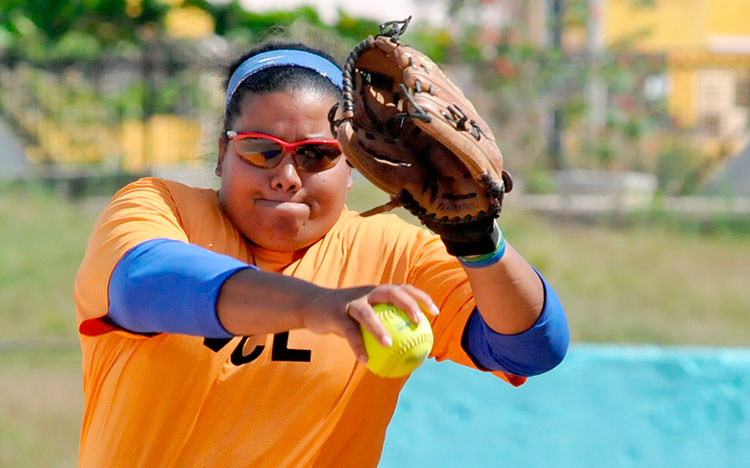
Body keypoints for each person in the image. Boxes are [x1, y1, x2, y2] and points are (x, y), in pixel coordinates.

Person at [74, 41, 569, 468]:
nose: (287, 175)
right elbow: (146, 284)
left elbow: (530, 347)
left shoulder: (394, 255)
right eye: (260, 150)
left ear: (353, 166)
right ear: (222, 156)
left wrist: (478, 244)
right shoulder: (163, 208)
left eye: (317, 154)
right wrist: (317, 305)